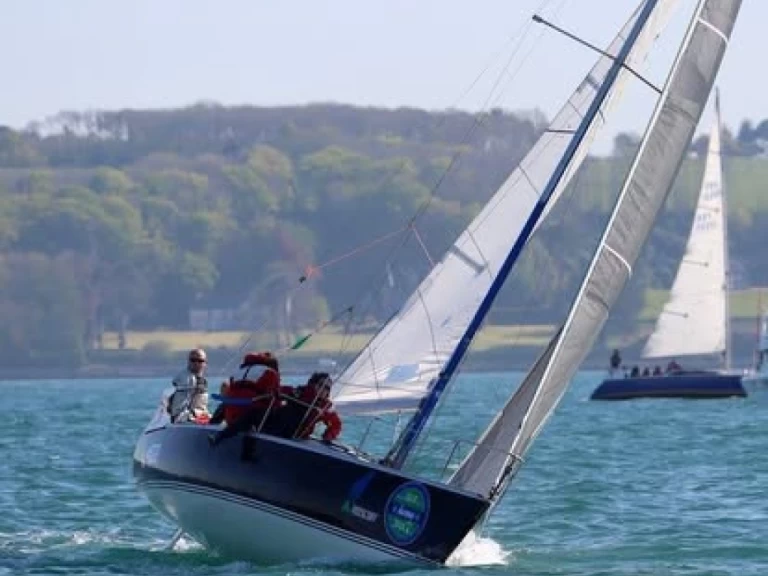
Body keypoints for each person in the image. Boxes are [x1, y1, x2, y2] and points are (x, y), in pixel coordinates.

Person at [208, 351, 283, 446]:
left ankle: (212, 426)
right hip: (250, 417)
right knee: (256, 413)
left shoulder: (238, 371)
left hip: (230, 415)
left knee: (229, 404)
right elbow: (275, 398)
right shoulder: (270, 373)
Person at [279, 372, 342, 443]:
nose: (323, 389)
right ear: (312, 384)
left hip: (300, 439)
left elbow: (336, 424)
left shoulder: (324, 406)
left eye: (327, 388)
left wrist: (328, 436)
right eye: (321, 385)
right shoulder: (298, 393)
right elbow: (277, 391)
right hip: (278, 431)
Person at [168, 348, 210, 423]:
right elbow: (179, 408)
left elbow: (201, 405)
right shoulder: (185, 379)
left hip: (198, 415)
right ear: (188, 361)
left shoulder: (203, 381)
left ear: (205, 363)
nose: (196, 363)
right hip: (182, 418)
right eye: (193, 360)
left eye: (200, 361)